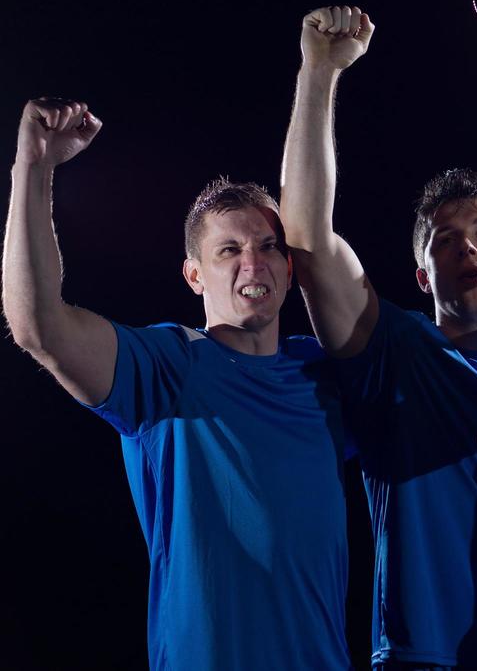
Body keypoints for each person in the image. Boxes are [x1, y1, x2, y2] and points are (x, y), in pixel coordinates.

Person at [1, 98, 351, 671]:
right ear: (194, 274)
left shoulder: (326, 374)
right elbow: (38, 324)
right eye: (229, 251)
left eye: (268, 248)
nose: (253, 265)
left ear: (291, 269)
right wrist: (34, 167)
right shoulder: (167, 364)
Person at [280, 5, 477, 670]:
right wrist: (319, 73)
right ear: (421, 271)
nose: (467, 247)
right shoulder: (394, 349)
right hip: (416, 659)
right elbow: (308, 241)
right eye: (445, 239)